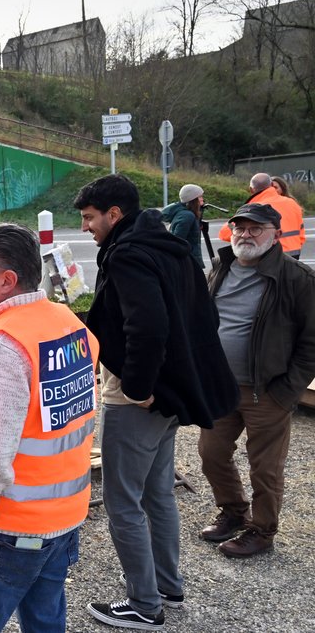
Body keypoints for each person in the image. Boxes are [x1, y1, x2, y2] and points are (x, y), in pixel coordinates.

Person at [74, 174, 236, 631]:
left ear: (114, 214)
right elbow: (202, 312)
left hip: (138, 400)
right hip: (170, 395)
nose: (86, 227)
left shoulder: (127, 254)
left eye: (89, 218)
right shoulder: (167, 245)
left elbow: (147, 327)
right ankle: (168, 585)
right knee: (157, 493)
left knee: (124, 500)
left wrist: (139, 387)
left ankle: (145, 604)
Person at [0, 223, 98, 633]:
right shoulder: (66, 322)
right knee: (45, 620)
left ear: (7, 281)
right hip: (64, 514)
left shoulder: (4, 348)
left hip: (7, 524)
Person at [199, 203, 315, 558]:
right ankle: (233, 510)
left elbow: (312, 342)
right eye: (240, 228)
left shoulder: (296, 278)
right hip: (221, 386)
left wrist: (286, 391)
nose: (245, 235)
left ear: (276, 235)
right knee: (211, 454)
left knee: (265, 467)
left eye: (256, 229)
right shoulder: (220, 267)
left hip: (267, 390)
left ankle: (262, 530)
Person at [219, 172, 305, 258]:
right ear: (271, 185)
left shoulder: (255, 207)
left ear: (251, 189)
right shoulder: (292, 203)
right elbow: (301, 232)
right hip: (294, 254)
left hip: (269, 255)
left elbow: (224, 233)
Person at [160, 184, 205, 268]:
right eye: (200, 197)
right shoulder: (187, 216)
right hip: (187, 263)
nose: (202, 199)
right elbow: (177, 240)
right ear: (193, 199)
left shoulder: (188, 214)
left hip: (189, 260)